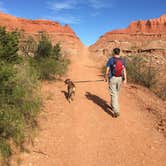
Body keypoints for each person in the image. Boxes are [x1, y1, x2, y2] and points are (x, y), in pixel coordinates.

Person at [104, 48, 127, 118]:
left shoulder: (111, 59)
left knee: (113, 94)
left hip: (113, 78)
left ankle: (116, 111)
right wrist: (125, 79)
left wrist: (105, 77)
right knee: (116, 93)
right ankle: (112, 104)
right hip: (120, 78)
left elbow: (107, 69)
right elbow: (124, 70)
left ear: (114, 52)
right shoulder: (122, 60)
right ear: (119, 53)